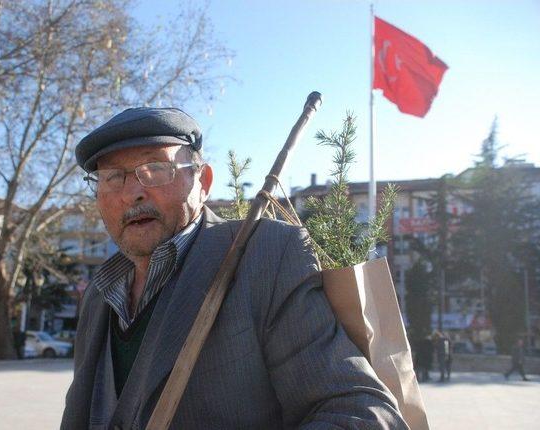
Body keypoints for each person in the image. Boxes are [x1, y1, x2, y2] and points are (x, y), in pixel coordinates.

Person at [61, 107, 407, 429]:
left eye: (155, 169)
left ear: (203, 181)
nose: (132, 193)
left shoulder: (263, 256)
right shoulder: (99, 293)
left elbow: (363, 414)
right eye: (113, 178)